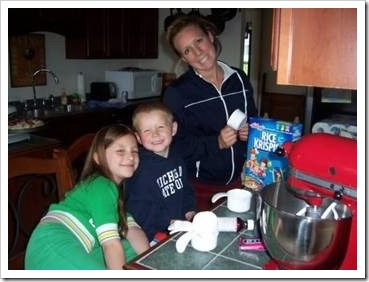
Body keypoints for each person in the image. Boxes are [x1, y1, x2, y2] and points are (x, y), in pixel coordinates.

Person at [163, 15, 258, 211]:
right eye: (187, 50)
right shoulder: (177, 93)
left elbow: (253, 120)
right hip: (200, 190)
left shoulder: (239, 78)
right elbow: (175, 148)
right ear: (183, 58)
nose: (198, 52)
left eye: (199, 41)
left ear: (210, 36)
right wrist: (216, 142)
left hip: (242, 183)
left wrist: (251, 132)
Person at [25, 124, 150, 270]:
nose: (130, 156)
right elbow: (110, 244)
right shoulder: (102, 185)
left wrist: (151, 261)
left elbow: (132, 230)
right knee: (116, 250)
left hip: (75, 247)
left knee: (129, 249)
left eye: (135, 151)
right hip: (52, 246)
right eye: (120, 151)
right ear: (97, 158)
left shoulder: (112, 194)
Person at [125, 102, 196, 244]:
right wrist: (168, 221)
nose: (155, 134)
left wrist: (190, 211)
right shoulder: (139, 169)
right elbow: (138, 209)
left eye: (161, 127)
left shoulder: (177, 158)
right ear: (138, 138)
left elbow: (186, 189)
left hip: (178, 227)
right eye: (147, 131)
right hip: (152, 236)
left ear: (173, 128)